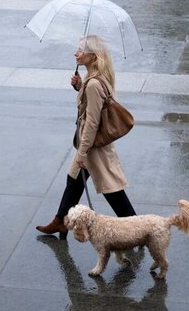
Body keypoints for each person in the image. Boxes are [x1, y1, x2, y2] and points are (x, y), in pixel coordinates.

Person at [36, 35, 136, 239]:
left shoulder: (93, 84)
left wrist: (82, 152)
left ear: (93, 56)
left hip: (93, 146)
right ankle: (61, 220)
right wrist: (79, 87)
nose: (76, 53)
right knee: (73, 180)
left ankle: (136, 229)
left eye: (81, 50)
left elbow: (92, 121)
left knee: (112, 190)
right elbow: (93, 106)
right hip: (89, 143)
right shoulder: (95, 80)